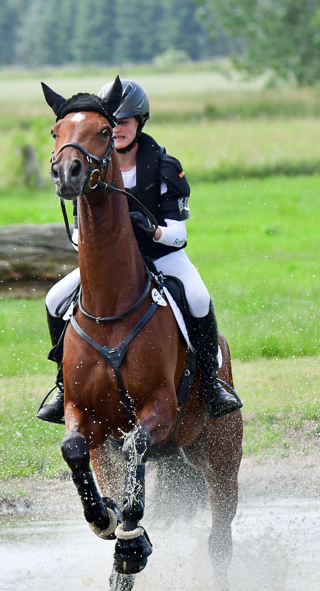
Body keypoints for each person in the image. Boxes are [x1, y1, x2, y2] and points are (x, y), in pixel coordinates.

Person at [37, 79, 242, 424]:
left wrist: (152, 230)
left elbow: (179, 235)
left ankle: (211, 383)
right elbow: (76, 234)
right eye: (113, 123)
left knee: (198, 297)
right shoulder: (92, 164)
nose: (118, 129)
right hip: (110, 266)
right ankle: (63, 384)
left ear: (140, 122)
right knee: (54, 299)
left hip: (162, 256)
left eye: (125, 122)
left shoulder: (164, 166)